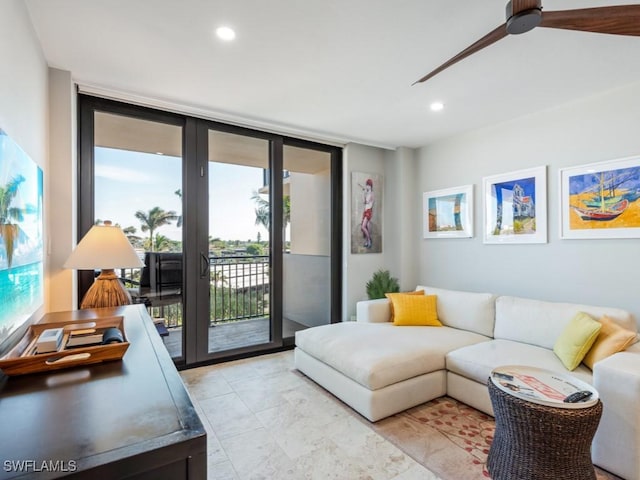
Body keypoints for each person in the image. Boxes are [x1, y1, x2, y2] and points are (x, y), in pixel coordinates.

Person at [360, 178, 374, 248]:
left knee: (363, 227)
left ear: (371, 186)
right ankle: (367, 241)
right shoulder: (367, 193)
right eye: (366, 185)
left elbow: (367, 201)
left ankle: (369, 240)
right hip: (365, 211)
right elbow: (363, 201)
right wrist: (363, 193)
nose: (367, 186)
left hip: (368, 211)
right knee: (366, 227)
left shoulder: (371, 193)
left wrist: (366, 192)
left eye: (368, 185)